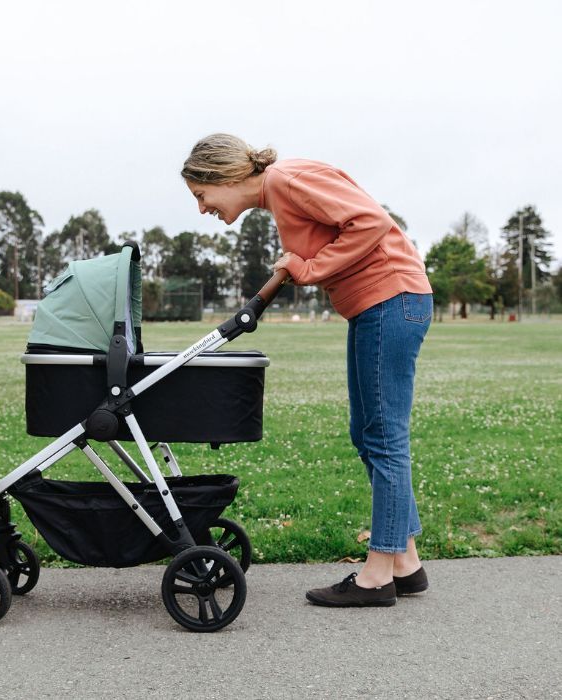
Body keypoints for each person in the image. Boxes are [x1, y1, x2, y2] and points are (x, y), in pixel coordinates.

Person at [181, 133, 433, 607]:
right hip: (377, 305)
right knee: (369, 435)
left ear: (225, 176)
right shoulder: (281, 189)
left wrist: (310, 267)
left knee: (384, 439)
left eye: (202, 195)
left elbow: (370, 222)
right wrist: (304, 264)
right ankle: (406, 563)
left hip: (392, 300)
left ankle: (377, 576)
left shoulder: (285, 178)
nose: (202, 208)